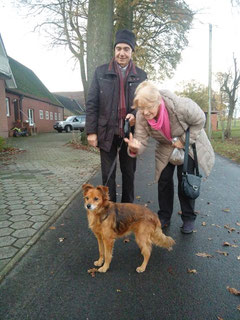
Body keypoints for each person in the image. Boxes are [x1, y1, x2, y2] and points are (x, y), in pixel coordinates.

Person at [124, 81, 215, 234]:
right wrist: (135, 147)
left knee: (184, 181)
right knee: (164, 181)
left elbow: (200, 120)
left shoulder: (180, 106)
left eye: (149, 107)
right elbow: (141, 138)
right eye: (141, 108)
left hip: (188, 144)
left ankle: (188, 218)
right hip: (165, 146)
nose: (145, 112)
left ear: (158, 100)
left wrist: (184, 141)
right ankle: (164, 216)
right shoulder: (141, 116)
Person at [86, 29, 147, 203]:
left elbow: (144, 103)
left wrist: (135, 114)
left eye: (126, 49)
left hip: (130, 135)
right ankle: (108, 212)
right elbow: (92, 103)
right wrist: (91, 131)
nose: (122, 53)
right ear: (114, 50)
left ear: (132, 51)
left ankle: (127, 212)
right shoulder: (100, 72)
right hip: (106, 132)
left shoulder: (141, 76)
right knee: (108, 176)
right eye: (118, 48)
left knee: (129, 175)